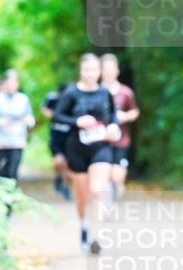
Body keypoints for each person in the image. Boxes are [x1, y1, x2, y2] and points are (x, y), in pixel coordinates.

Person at [52, 53, 121, 254]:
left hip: (100, 147)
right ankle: (84, 226)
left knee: (98, 190)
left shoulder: (105, 93)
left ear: (100, 71)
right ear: (81, 71)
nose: (91, 74)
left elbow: (114, 117)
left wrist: (113, 129)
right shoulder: (72, 94)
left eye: (94, 70)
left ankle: (97, 235)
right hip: (76, 148)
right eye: (86, 70)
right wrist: (77, 122)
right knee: (83, 196)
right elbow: (58, 116)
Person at [100, 54, 139, 200]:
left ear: (117, 71)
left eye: (111, 69)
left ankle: (113, 200)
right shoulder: (96, 92)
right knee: (102, 175)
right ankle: (104, 204)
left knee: (118, 176)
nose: (109, 72)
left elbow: (135, 112)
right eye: (105, 69)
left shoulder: (126, 93)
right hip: (100, 141)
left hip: (121, 141)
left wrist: (125, 116)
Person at [0, 69, 35, 183]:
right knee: (0, 174)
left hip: (17, 142)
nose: (12, 86)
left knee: (13, 174)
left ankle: (12, 198)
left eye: (14, 83)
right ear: (4, 83)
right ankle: (0, 198)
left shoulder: (23, 99)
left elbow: (31, 118)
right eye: (9, 83)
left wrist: (28, 121)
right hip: (0, 143)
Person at [41, 82, 73, 200]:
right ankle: (60, 178)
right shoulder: (52, 98)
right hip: (56, 135)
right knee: (59, 161)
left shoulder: (74, 99)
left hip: (70, 136)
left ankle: (64, 184)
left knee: (68, 163)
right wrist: (55, 115)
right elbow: (44, 110)